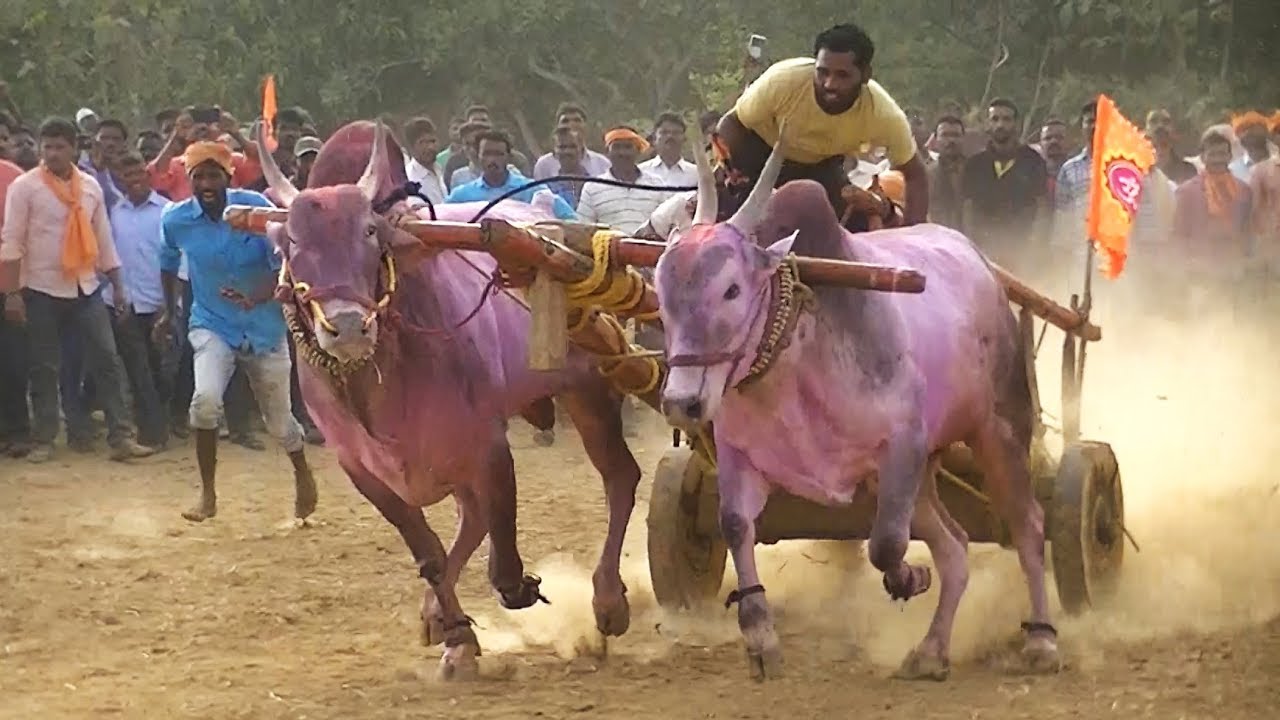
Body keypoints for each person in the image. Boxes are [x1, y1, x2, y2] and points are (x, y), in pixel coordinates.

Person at [154, 140, 317, 522]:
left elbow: (284, 264)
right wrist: (168, 310)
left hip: (263, 325)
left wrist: (254, 296)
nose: (207, 183)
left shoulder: (257, 211)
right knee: (205, 402)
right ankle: (207, 496)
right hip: (212, 323)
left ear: (228, 177)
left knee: (279, 423)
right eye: (199, 177)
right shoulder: (175, 219)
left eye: (214, 175)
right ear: (190, 181)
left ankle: (303, 473)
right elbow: (167, 261)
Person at [0, 117, 155, 463]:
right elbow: (11, 243)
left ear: (74, 149)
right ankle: (44, 438)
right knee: (44, 366)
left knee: (107, 360)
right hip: (40, 287)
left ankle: (121, 436)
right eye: (47, 147)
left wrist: (117, 285)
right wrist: (12, 294)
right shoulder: (25, 188)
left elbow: (102, 237)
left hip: (85, 286)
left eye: (59, 147)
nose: (52, 153)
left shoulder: (89, 187)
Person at [717, 23, 929, 225]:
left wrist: (914, 235)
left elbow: (915, 174)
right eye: (823, 72)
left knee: (857, 224)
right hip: (757, 159)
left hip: (821, 168)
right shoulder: (782, 80)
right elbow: (730, 123)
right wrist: (731, 172)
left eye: (842, 75)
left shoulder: (883, 114)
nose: (829, 84)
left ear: (865, 76)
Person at [443, 130, 577, 220]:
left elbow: (570, 219)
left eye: (498, 154)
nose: (492, 160)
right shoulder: (462, 196)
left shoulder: (531, 190)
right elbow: (437, 219)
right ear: (478, 156)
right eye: (487, 154)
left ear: (509, 157)